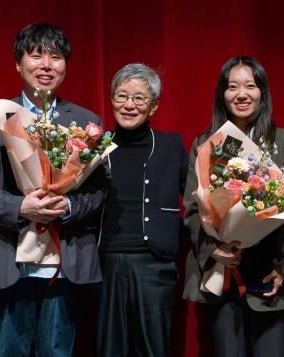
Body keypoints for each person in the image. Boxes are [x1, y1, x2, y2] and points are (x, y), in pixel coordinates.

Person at [0, 23, 108, 357]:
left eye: (55, 57)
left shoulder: (86, 123)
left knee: (58, 352)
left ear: (65, 66)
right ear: (18, 63)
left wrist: (67, 207)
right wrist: (20, 207)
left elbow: (100, 191)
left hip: (65, 264)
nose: (46, 65)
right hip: (10, 262)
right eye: (36, 54)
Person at [183, 56, 284, 357]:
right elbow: (191, 208)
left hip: (269, 279)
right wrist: (213, 250)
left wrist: (283, 268)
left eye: (250, 86)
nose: (241, 94)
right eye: (232, 86)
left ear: (262, 92)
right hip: (222, 276)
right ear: (221, 94)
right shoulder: (205, 143)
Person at [96, 63, 188, 357]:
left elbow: (200, 200)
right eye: (122, 96)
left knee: (154, 348)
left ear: (154, 106)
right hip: (105, 262)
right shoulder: (95, 146)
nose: (129, 105)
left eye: (139, 98)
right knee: (110, 348)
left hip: (155, 264)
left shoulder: (170, 145)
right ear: (112, 99)